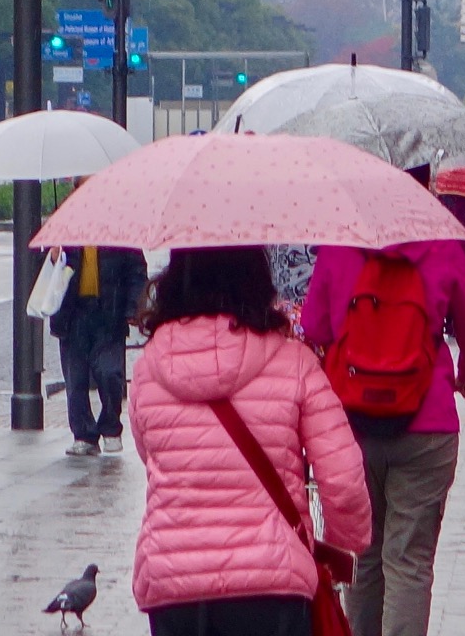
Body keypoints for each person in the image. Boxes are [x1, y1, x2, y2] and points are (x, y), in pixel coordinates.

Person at [129, 245, 373, 636]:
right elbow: (343, 481)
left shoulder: (148, 371)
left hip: (175, 585)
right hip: (272, 582)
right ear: (257, 278)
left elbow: (150, 455)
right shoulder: (294, 363)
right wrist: (347, 543)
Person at [301, 233, 465, 636]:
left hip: (351, 424)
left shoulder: (340, 246)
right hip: (428, 425)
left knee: (364, 555)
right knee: (409, 561)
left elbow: (314, 326)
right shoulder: (442, 246)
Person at [48, 242, 148, 456]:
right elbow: (40, 274)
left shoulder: (117, 234)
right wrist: (53, 260)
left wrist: (132, 308)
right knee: (76, 379)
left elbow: (137, 272)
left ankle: (111, 426)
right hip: (72, 315)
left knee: (110, 371)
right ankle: (83, 435)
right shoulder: (65, 234)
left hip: (109, 314)